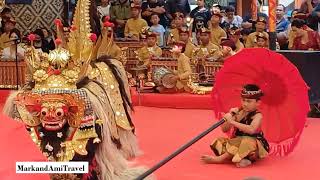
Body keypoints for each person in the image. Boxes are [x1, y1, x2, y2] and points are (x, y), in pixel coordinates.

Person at [201, 84, 269, 168]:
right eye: (243, 100)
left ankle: (220, 159)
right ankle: (244, 159)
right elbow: (224, 129)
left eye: (249, 101)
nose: (245, 104)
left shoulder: (258, 116)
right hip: (237, 142)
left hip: (253, 144)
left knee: (247, 142)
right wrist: (230, 115)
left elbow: (251, 130)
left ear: (258, 103)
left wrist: (232, 122)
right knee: (218, 141)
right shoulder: (238, 112)